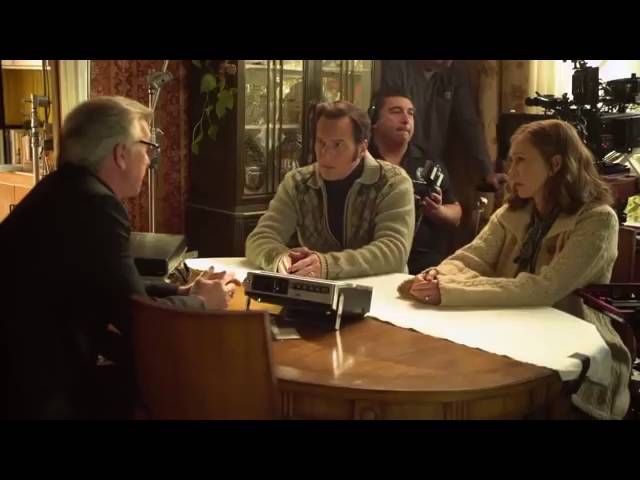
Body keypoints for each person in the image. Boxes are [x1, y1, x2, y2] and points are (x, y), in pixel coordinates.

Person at [0, 96, 238, 419]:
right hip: (40, 395)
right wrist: (203, 302)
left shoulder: (62, 190)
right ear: (121, 154)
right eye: (148, 147)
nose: (150, 160)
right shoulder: (96, 206)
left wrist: (179, 290)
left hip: (23, 376)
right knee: (190, 387)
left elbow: (109, 285)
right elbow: (142, 322)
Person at [398, 119, 630, 419]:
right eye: (511, 161)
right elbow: (470, 258)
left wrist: (450, 290)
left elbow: (545, 289)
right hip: (506, 325)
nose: (511, 172)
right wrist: (437, 275)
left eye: (521, 160)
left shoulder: (597, 220)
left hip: (572, 341)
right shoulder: (513, 212)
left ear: (555, 164)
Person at [245, 100, 415, 279]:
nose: (325, 153)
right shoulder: (298, 183)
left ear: (362, 148)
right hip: (315, 289)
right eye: (321, 142)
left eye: (338, 145)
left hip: (379, 291)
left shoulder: (392, 182)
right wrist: (280, 257)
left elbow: (393, 252)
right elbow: (260, 238)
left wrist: (328, 265)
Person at [368, 88, 462, 274]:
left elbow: (456, 214)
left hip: (424, 264)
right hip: (374, 258)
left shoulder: (429, 162)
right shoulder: (361, 159)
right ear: (374, 120)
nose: (406, 119)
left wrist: (438, 211)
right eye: (396, 111)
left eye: (410, 113)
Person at [380, 60, 506, 190]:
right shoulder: (396, 67)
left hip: (434, 164)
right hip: (398, 160)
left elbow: (469, 122)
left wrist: (487, 170)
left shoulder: (454, 71)